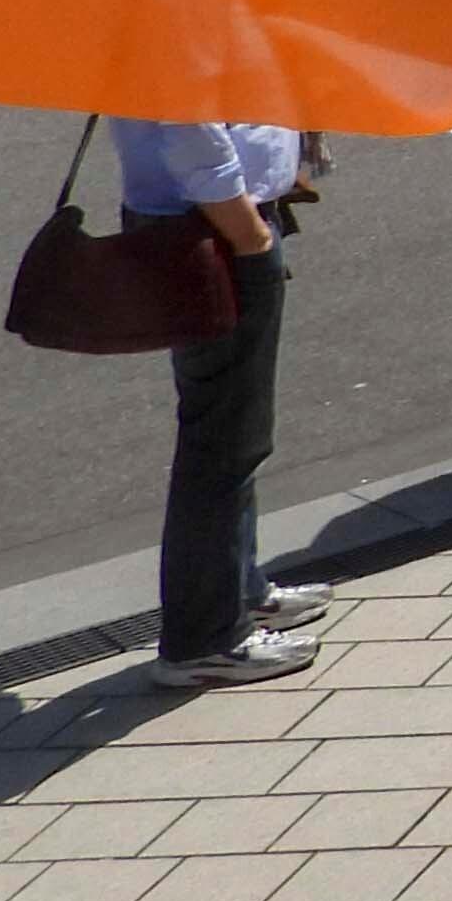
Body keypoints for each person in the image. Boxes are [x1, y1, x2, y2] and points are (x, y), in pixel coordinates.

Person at [123, 117, 335, 690]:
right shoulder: (170, 41)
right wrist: (249, 234)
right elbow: (188, 127)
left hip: (216, 220)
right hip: (212, 226)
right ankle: (204, 641)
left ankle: (239, 593)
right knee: (221, 440)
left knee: (235, 434)